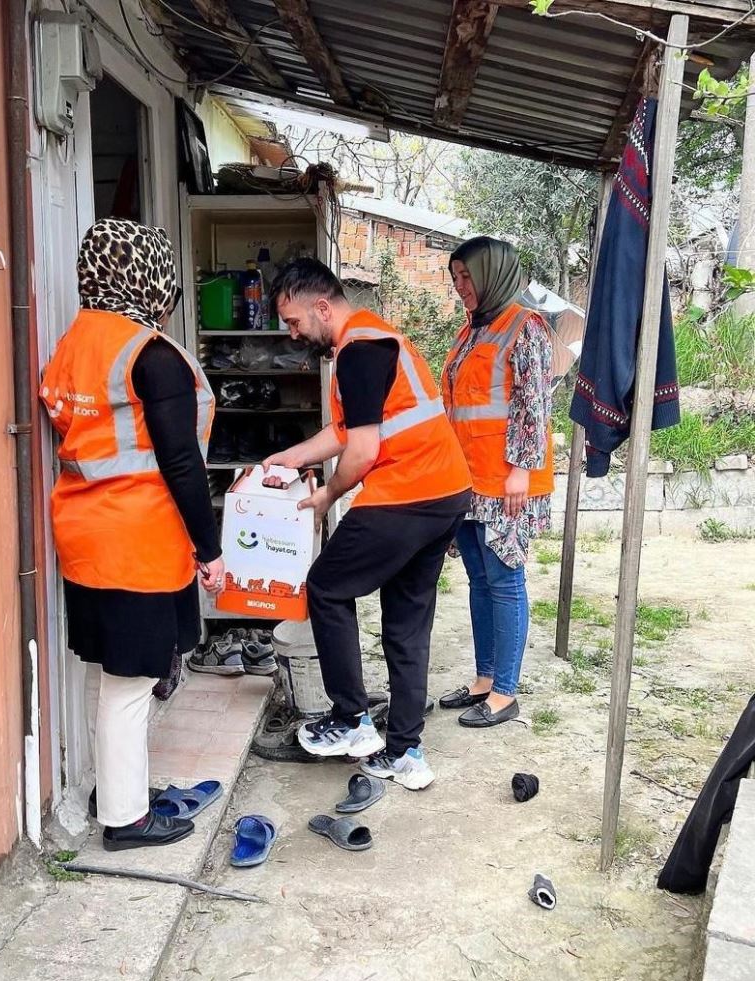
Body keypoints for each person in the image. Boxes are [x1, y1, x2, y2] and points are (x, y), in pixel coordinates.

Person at [40, 219, 224, 850]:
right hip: (138, 541)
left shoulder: (74, 342)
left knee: (111, 674)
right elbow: (180, 463)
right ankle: (125, 818)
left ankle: (112, 788)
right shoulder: (151, 354)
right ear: (150, 273)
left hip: (84, 535)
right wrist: (211, 547)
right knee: (131, 683)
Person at [262, 258, 471, 790]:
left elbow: (361, 450)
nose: (293, 334)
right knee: (406, 622)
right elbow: (346, 428)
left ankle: (352, 719)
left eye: (294, 322)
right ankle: (405, 753)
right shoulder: (377, 338)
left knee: (327, 586)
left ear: (323, 307)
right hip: (446, 491)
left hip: (406, 492)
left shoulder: (358, 352)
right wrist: (291, 455)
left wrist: (329, 493)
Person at [438, 236, 554, 728]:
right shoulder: (471, 332)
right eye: (456, 278)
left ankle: (506, 691)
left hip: (508, 481)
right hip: (468, 480)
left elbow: (533, 405)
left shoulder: (526, 329)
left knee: (505, 582)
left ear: (492, 275)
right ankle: (485, 679)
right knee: (479, 580)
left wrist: (521, 472)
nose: (460, 287)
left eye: (467, 277)